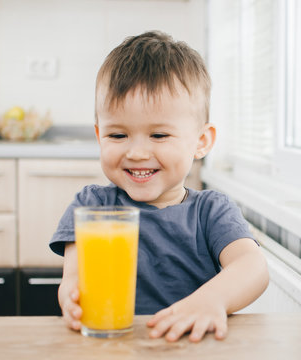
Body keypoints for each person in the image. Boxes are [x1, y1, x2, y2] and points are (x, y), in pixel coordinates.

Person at [49, 31, 269, 343]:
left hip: (189, 346)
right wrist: (70, 296)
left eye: (159, 135)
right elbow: (74, 277)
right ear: (99, 136)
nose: (136, 152)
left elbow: (253, 265)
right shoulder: (91, 207)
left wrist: (212, 300)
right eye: (118, 135)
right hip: (110, 345)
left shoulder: (211, 211)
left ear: (201, 141)